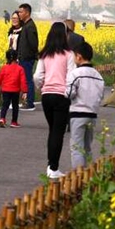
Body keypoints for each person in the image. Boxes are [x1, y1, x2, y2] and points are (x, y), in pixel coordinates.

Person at [34, 22, 76, 179]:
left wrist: (41, 87)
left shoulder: (44, 54)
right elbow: (71, 77)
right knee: (57, 132)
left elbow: (37, 76)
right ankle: (53, 168)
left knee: (53, 130)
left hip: (46, 96)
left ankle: (50, 165)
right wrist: (69, 93)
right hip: (61, 96)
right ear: (65, 35)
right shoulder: (69, 54)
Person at [66, 42, 105, 170]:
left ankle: (78, 174)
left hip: (78, 113)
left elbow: (69, 93)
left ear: (79, 56)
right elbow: (100, 95)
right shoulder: (98, 75)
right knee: (87, 146)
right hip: (92, 114)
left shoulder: (75, 73)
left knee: (76, 146)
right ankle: (88, 173)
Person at [0, 49, 28, 128]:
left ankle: (2, 118)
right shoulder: (20, 69)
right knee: (15, 106)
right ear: (17, 58)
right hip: (15, 91)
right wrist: (25, 91)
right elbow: (23, 81)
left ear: (7, 58)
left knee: (5, 104)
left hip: (5, 90)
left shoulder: (4, 68)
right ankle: (14, 122)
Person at [17, 3, 39, 111]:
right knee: (26, 80)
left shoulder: (30, 26)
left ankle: (30, 102)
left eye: (21, 12)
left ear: (27, 13)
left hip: (27, 58)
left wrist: (29, 55)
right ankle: (27, 101)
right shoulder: (26, 25)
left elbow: (33, 44)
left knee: (28, 80)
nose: (19, 14)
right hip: (24, 57)